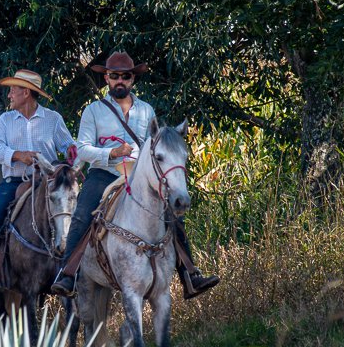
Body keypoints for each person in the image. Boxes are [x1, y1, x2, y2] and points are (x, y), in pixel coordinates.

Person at [50, 51, 220, 299]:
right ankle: (67, 274)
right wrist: (112, 152)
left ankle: (190, 274)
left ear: (132, 80)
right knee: (81, 216)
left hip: (139, 177)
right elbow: (84, 148)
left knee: (173, 215)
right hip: (104, 173)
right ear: (107, 79)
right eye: (115, 76)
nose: (120, 80)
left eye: (125, 76)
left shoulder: (146, 110)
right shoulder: (93, 111)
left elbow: (154, 146)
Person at [0, 69, 77, 294]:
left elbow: (68, 145)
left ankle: (75, 271)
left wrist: (73, 152)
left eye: (13, 90)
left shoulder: (53, 119)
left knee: (75, 215)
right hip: (16, 180)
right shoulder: (5, 120)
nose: (9, 95)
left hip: (48, 182)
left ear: (26, 92)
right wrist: (18, 155)